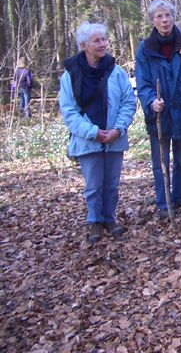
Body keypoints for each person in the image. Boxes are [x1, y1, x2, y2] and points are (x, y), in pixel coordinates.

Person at [59, 22, 136, 243]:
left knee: (111, 184)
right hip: (87, 141)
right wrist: (93, 132)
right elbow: (69, 111)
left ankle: (109, 219)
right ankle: (95, 221)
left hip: (114, 138)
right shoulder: (70, 75)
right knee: (93, 185)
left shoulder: (116, 71)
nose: (103, 44)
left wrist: (118, 129)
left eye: (104, 39)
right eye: (97, 40)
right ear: (83, 45)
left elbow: (128, 102)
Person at [135, 0, 181, 220]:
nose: (164, 20)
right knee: (160, 162)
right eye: (159, 16)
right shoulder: (145, 49)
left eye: (167, 15)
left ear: (174, 17)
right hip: (160, 114)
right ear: (152, 21)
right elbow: (143, 83)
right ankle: (163, 200)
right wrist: (151, 102)